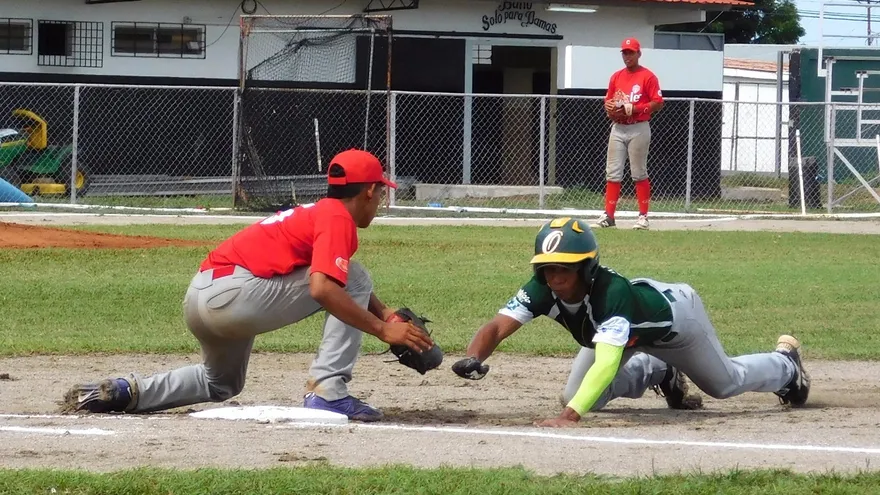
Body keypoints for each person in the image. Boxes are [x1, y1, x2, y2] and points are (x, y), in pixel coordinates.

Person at [61, 149, 433, 422]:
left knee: (220, 383)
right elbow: (323, 288)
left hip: (201, 297)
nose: (381, 200)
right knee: (354, 275)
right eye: (381, 192)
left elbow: (322, 274)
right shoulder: (339, 220)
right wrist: (383, 329)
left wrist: (383, 311)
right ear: (368, 190)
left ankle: (128, 391)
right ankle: (329, 392)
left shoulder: (317, 212)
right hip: (237, 297)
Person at [451, 217, 810, 427]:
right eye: (547, 267)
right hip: (628, 337)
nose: (555, 276)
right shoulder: (542, 286)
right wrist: (474, 357)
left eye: (564, 267)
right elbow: (497, 326)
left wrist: (569, 417)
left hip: (677, 323)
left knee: (725, 383)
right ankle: (660, 372)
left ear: (586, 267)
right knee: (574, 394)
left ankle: (787, 366)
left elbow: (607, 362)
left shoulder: (612, 293)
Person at [593, 37, 664, 231]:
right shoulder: (616, 76)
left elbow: (658, 102)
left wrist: (637, 108)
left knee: (638, 172)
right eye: (624, 52)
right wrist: (609, 107)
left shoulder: (647, 76)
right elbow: (608, 100)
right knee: (613, 172)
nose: (627, 56)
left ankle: (643, 216)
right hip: (618, 126)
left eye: (631, 52)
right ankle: (609, 215)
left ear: (638, 54)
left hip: (639, 127)